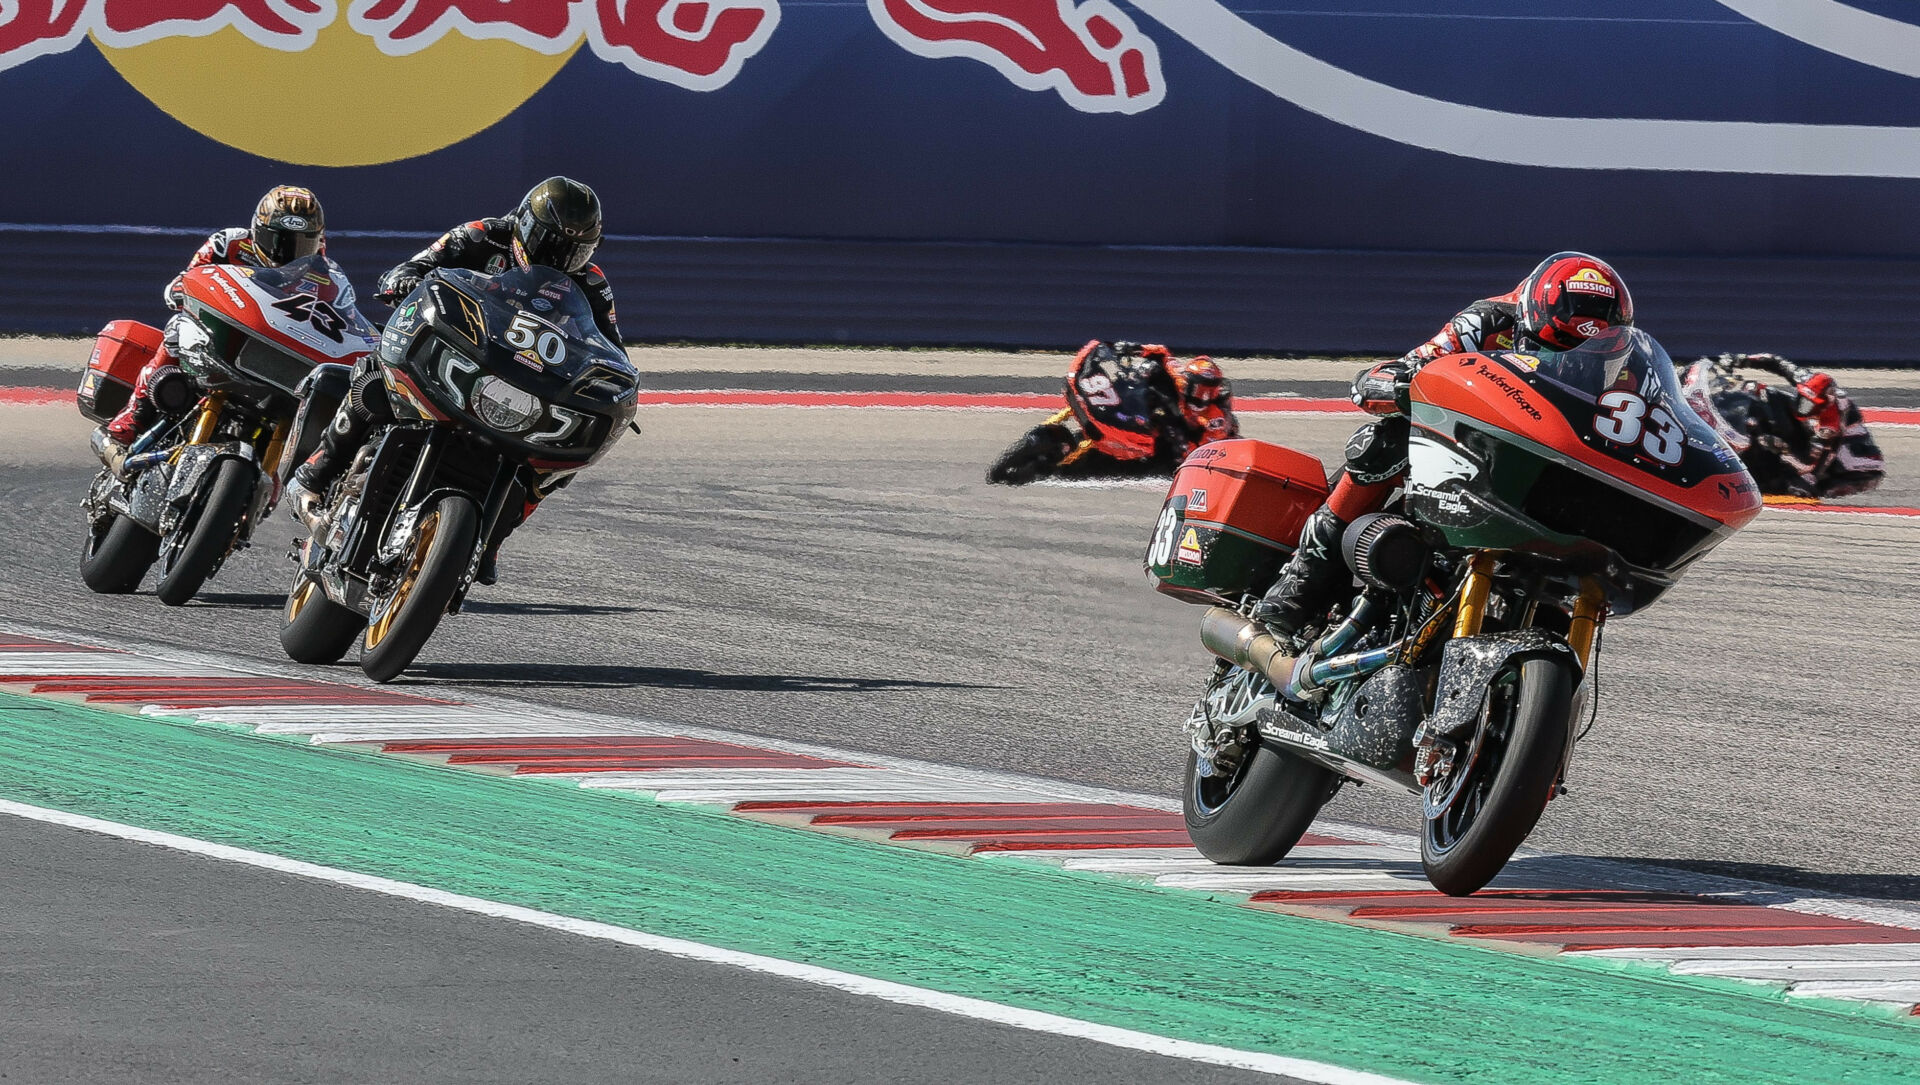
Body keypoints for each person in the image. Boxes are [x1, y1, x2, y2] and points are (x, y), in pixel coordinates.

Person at [1252, 252, 1635, 643]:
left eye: (1581, 358)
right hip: (1466, 447)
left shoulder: (1624, 365)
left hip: (1547, 470)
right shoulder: (1486, 322)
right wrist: (1393, 383)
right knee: (1383, 439)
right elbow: (1414, 365)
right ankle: (1304, 575)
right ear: (1529, 320)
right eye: (1553, 350)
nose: (1565, 365)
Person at [285, 176, 619, 585]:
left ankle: (492, 537)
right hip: (455, 350)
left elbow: (608, 346)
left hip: (520, 381)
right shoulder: (482, 235)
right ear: (526, 226)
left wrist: (610, 381)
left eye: (576, 249)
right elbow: (417, 265)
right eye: (551, 242)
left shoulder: (592, 284)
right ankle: (318, 470)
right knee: (374, 371)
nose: (561, 256)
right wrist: (403, 280)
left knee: (554, 467)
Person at [97, 186, 329, 471]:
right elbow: (188, 277)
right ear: (257, 230)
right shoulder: (228, 243)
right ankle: (133, 415)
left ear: (317, 241)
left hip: (273, 354)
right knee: (177, 327)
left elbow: (335, 311)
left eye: (301, 244)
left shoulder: (324, 271)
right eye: (277, 241)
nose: (288, 253)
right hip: (222, 339)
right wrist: (180, 290)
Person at [1688, 352, 1885, 499]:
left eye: (1809, 405)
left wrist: (1805, 476)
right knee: (1760, 395)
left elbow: (1820, 458)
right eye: (1802, 398)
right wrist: (1740, 359)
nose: (1803, 406)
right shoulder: (1806, 380)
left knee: (1802, 477)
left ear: (1822, 405)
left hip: (1845, 447)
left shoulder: (1830, 424)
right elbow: (1776, 362)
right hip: (1815, 428)